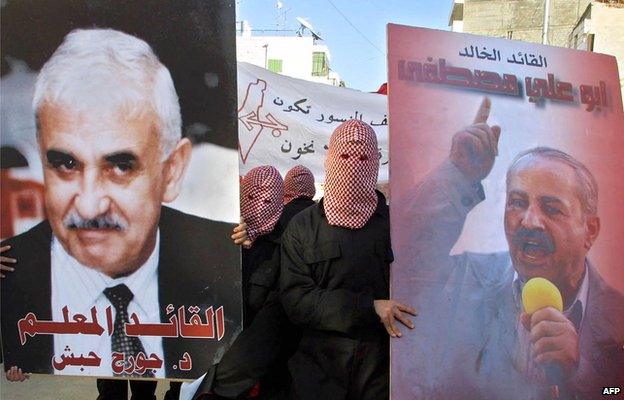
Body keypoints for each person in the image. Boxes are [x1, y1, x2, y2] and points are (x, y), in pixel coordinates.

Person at [0, 28, 241, 398]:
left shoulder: (213, 252)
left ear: (172, 171)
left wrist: (255, 241)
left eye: (120, 166)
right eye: (65, 163)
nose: (90, 204)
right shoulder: (14, 266)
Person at [402, 98, 624, 399]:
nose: (530, 221)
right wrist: (456, 175)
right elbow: (403, 259)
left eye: (552, 208)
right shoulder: (470, 278)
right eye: (518, 203)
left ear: (590, 231)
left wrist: (577, 371)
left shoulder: (617, 313)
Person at [279, 120, 417, 400]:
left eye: (364, 158)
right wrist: (369, 307)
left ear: (376, 163)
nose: (354, 166)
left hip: (381, 373)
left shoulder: (396, 225)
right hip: (317, 374)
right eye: (344, 156)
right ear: (330, 160)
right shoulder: (303, 226)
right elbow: (296, 300)